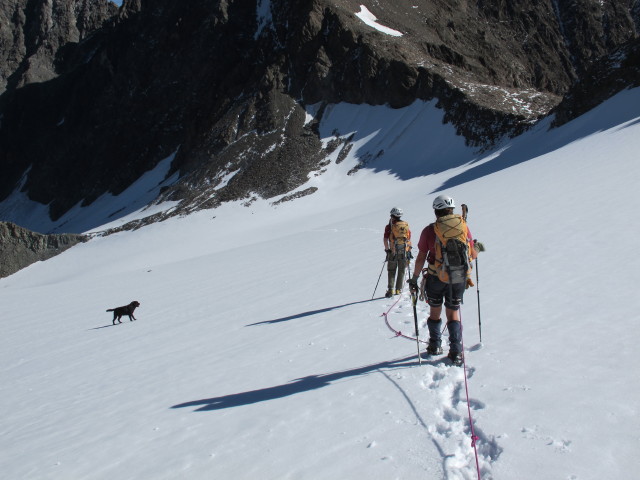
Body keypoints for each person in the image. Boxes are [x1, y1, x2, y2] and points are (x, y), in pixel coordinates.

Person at [408, 195, 477, 366]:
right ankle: (456, 351)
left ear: (435, 211)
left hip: (436, 277)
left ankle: (435, 345)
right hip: (459, 277)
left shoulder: (429, 230)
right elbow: (472, 254)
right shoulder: (463, 227)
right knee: (453, 313)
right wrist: (477, 246)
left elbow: (421, 257)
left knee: (435, 311)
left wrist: (414, 279)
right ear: (452, 210)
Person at [383, 207, 412, 298]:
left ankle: (390, 289)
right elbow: (408, 237)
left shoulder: (390, 226)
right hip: (403, 250)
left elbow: (385, 239)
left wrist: (387, 249)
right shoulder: (405, 225)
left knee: (391, 270)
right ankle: (398, 289)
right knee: (401, 270)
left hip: (393, 251)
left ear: (392, 216)